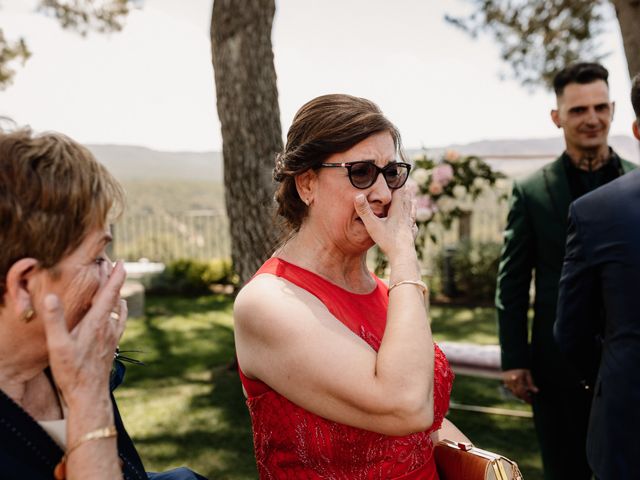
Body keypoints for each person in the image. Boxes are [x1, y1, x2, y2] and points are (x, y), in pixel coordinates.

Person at [233, 94, 467, 479]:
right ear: (307, 184)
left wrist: (484, 462)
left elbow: (428, 417)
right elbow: (405, 405)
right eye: (361, 173)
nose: (382, 194)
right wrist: (404, 256)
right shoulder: (268, 303)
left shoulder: (385, 292)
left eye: (391, 173)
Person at [0, 127, 206, 480]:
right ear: (23, 285)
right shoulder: (83, 371)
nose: (113, 274)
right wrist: (88, 397)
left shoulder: (73, 353)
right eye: (97, 257)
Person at [495, 62, 636, 480]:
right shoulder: (532, 191)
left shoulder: (637, 182)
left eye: (599, 107)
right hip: (553, 367)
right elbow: (513, 280)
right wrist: (514, 358)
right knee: (563, 468)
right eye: (577, 110)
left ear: (612, 109)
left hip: (625, 366)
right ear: (557, 117)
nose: (591, 119)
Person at [555, 73, 640, 480]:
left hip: (627, 415)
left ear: (634, 128)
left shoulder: (595, 210)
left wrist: (612, 373)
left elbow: (571, 330)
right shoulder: (584, 207)